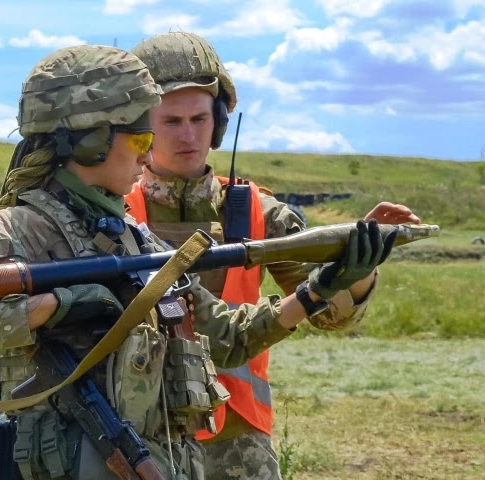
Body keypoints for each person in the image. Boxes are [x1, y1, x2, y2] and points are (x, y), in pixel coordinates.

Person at [0, 44, 397, 480]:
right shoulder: (13, 231)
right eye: (143, 140)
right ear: (90, 143)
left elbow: (226, 337)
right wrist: (54, 305)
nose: (151, 155)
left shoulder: (134, 238)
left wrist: (322, 289)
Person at [127, 32, 420, 479]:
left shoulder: (261, 214)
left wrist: (356, 268)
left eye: (200, 119)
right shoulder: (113, 214)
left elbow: (331, 317)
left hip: (237, 441)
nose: (188, 135)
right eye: (170, 121)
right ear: (139, 127)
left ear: (220, 122)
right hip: (136, 437)